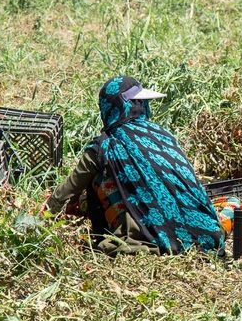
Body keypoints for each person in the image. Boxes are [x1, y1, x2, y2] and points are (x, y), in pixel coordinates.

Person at [44, 76, 223, 255]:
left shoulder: (105, 145)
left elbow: (70, 188)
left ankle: (135, 233)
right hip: (209, 234)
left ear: (110, 107)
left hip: (155, 238)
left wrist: (45, 213)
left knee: (98, 175)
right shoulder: (163, 135)